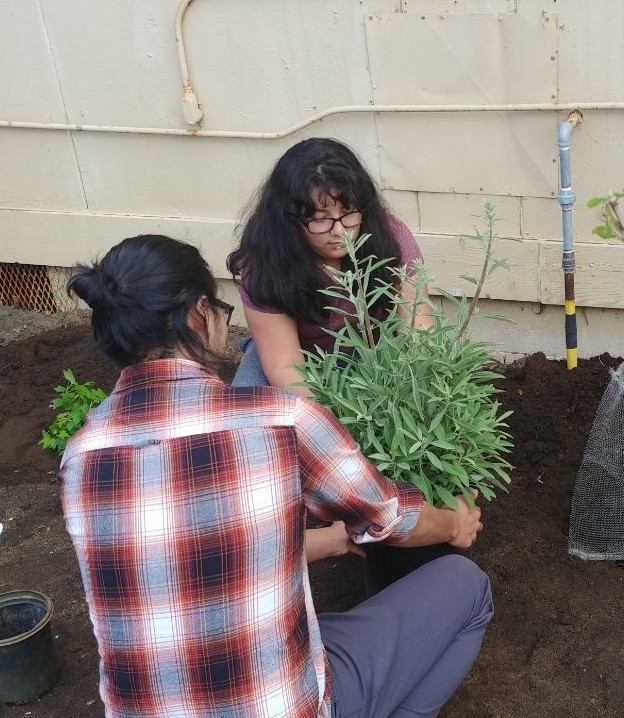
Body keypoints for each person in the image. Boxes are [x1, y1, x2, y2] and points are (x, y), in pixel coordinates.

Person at [60, 234, 492, 718]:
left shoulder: (80, 457)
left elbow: (190, 553)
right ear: (199, 312)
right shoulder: (280, 421)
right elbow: (390, 518)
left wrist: (330, 541)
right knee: (466, 585)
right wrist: (454, 525)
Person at [227, 137, 433, 395]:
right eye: (320, 219)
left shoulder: (391, 237)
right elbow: (286, 367)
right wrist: (337, 415)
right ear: (289, 219)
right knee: (246, 409)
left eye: (348, 213)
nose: (339, 231)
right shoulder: (265, 262)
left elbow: (419, 331)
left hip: (378, 354)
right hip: (298, 359)